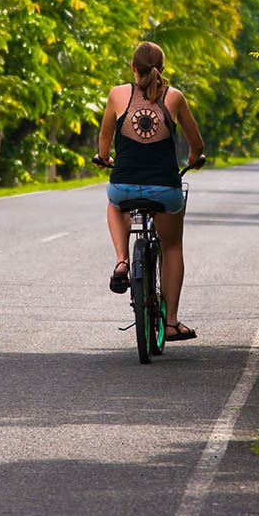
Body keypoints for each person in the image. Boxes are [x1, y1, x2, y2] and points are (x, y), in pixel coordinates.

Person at [95, 41, 205, 341]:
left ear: (133, 67)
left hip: (124, 184)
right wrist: (195, 160)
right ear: (163, 69)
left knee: (114, 202)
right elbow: (197, 145)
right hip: (165, 188)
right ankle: (171, 323)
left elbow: (105, 135)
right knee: (171, 247)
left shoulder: (118, 94)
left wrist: (104, 158)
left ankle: (121, 260)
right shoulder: (176, 98)